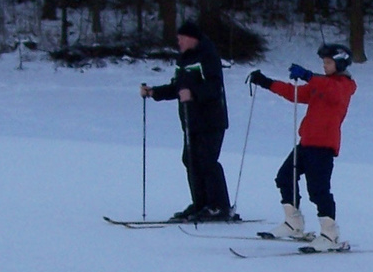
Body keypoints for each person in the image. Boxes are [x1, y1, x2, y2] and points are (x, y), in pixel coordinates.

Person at [248, 43, 357, 250]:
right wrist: (267, 83)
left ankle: (330, 234)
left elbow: (332, 92)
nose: (324, 66)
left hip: (323, 146)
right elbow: (294, 93)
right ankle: (293, 223)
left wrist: (308, 75)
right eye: (323, 63)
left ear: (340, 63)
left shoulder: (344, 86)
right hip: (306, 143)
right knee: (284, 177)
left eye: (328, 62)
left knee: (318, 190)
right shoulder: (321, 84)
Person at [140, 20, 233, 221]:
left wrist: (193, 93)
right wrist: (154, 92)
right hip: (191, 121)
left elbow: (213, 88)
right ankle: (200, 203)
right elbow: (178, 88)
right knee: (190, 160)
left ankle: (219, 206)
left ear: (192, 38)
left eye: (181, 38)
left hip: (210, 120)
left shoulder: (208, 56)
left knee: (207, 161)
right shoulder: (183, 59)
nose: (178, 42)